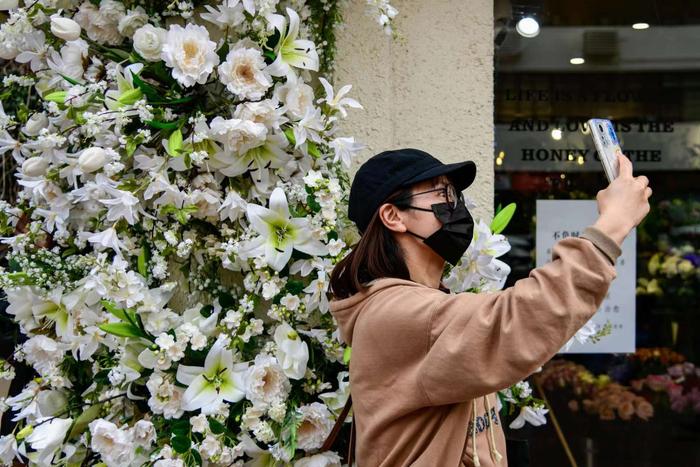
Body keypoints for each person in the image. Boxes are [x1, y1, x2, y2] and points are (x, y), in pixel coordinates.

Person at [327, 148, 651, 466]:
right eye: (443, 193)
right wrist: (611, 226)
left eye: (456, 194)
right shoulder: (397, 313)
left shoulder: (423, 303)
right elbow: (517, 319)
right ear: (393, 216)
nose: (456, 206)